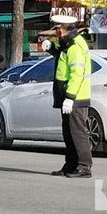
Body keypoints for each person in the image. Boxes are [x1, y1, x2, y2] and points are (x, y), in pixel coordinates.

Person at [43, 15, 92, 178]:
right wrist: (51, 47)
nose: (55, 32)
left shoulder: (75, 46)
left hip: (76, 97)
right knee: (68, 132)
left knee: (77, 132)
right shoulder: (67, 43)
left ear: (62, 28)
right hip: (67, 96)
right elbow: (60, 56)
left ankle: (84, 166)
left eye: (56, 28)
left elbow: (77, 74)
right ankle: (71, 164)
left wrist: (70, 97)